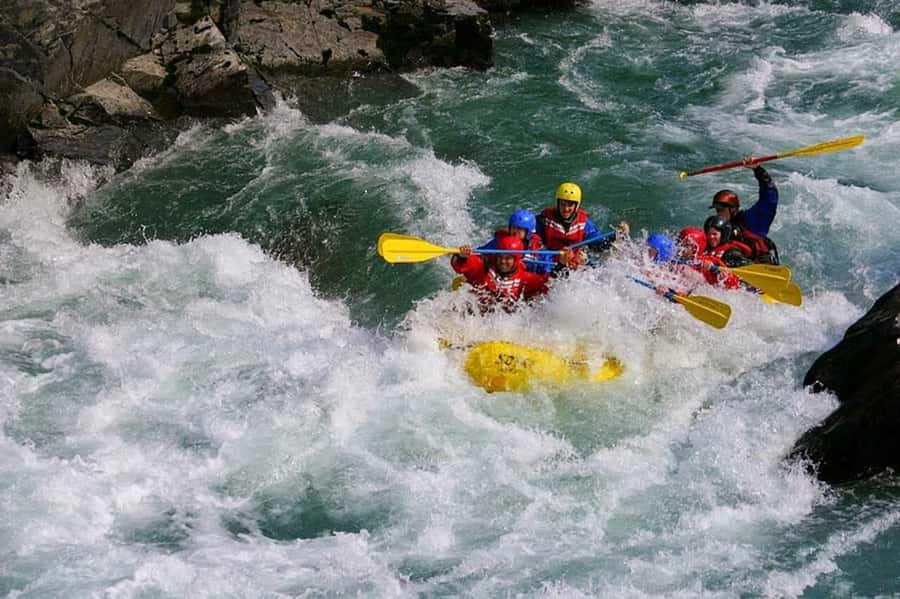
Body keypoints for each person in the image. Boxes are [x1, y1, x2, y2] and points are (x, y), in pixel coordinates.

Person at [451, 236, 569, 312]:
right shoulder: (484, 268)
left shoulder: (524, 278)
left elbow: (549, 282)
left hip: (501, 321)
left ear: (516, 260)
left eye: (508, 259)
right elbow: (461, 265)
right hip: (472, 314)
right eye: (501, 257)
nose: (503, 261)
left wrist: (561, 264)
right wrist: (462, 256)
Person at [536, 182, 626, 269]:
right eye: (563, 204)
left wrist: (616, 235)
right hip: (549, 261)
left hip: (575, 261)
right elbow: (534, 243)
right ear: (557, 203)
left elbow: (599, 245)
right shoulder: (544, 220)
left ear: (577, 206)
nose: (566, 209)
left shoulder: (584, 223)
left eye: (570, 205)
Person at [708, 162, 780, 264]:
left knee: (730, 254)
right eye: (717, 210)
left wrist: (758, 170)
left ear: (732, 209)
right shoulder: (718, 227)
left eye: (721, 209)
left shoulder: (751, 220)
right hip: (730, 270)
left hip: (760, 266)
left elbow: (770, 199)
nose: (718, 214)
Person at [467, 209, 551, 273]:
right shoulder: (500, 241)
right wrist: (467, 256)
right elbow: (481, 254)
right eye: (513, 228)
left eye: (520, 229)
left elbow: (547, 269)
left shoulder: (538, 248)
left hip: (524, 282)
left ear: (529, 232)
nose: (515, 232)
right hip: (502, 278)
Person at [675, 226, 741, 289]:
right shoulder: (675, 258)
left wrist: (715, 271)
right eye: (681, 242)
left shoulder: (712, 261)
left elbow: (734, 284)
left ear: (695, 249)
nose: (681, 247)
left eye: (686, 245)